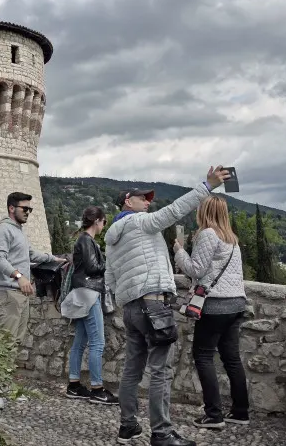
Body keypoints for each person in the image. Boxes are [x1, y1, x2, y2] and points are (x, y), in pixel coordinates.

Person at [105, 166, 230, 446]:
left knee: (132, 370)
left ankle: (127, 426)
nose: (149, 202)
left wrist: (122, 301)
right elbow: (174, 211)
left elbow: (109, 276)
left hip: (132, 308)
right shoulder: (139, 222)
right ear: (128, 201)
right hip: (153, 303)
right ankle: (161, 433)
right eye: (143, 198)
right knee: (161, 370)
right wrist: (206, 186)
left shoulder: (111, 237)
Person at [173, 195, 249, 429]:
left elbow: (195, 269)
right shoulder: (231, 238)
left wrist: (179, 250)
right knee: (232, 359)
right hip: (236, 303)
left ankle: (213, 414)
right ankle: (240, 412)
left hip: (215, 305)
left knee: (204, 356)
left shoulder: (208, 234)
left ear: (203, 211)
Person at [0, 192, 65, 408]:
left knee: (15, 342)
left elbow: (30, 254)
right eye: (25, 209)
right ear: (12, 208)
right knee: (4, 341)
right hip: (6, 293)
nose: (28, 212)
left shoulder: (18, 231)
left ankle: (5, 386)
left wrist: (54, 259)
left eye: (30, 209)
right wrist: (19, 276)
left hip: (18, 295)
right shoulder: (3, 230)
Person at [64, 206, 118, 405]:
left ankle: (74, 384)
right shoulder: (87, 240)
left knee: (80, 342)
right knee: (97, 343)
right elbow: (93, 267)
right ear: (98, 221)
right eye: (104, 222)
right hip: (89, 293)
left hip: (81, 292)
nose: (104, 226)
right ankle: (97, 388)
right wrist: (110, 262)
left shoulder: (83, 240)